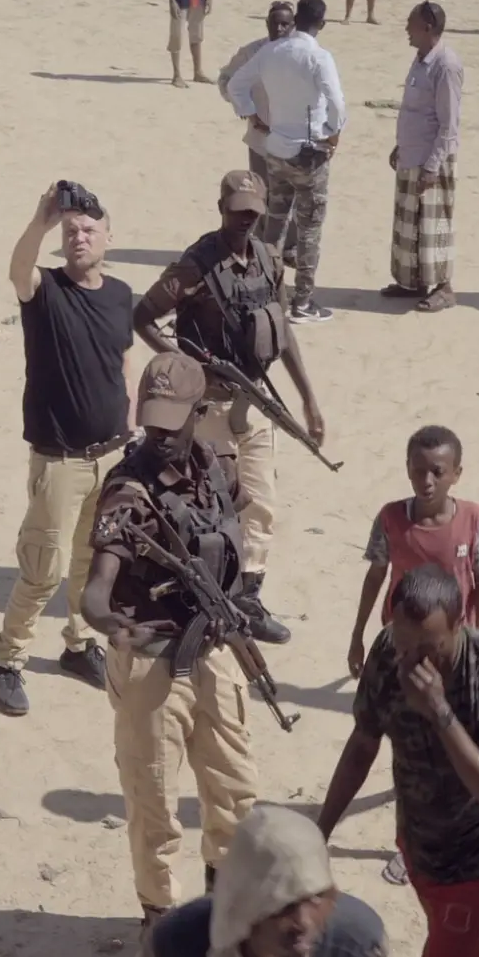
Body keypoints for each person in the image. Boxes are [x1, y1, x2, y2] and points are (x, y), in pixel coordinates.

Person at [82, 352, 262, 931]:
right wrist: (110, 622)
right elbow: (96, 589)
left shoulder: (216, 467)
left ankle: (223, 918)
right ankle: (159, 923)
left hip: (214, 649)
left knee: (237, 797)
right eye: (151, 420)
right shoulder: (127, 489)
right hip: (152, 664)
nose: (159, 434)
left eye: (172, 420)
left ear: (198, 413)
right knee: (154, 807)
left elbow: (237, 536)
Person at [134, 170, 328, 644]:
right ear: (220, 206)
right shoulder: (196, 264)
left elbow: (281, 331)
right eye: (237, 210)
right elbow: (142, 316)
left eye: (253, 213)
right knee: (209, 507)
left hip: (254, 402)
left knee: (261, 504)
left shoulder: (267, 259)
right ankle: (199, 599)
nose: (244, 220)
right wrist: (188, 370)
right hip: (207, 412)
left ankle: (248, 599)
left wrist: (308, 399)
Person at [318, 565, 479, 957]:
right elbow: (363, 742)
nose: (414, 659)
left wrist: (439, 712)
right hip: (417, 841)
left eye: (430, 647)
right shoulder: (388, 651)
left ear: (460, 623)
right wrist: (320, 833)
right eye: (405, 643)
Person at [0, 183, 135, 716]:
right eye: (71, 231)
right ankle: (7, 662)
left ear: (108, 238)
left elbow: (121, 365)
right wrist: (41, 219)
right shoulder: (44, 290)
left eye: (89, 230)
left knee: (92, 563)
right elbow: (16, 269)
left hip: (112, 455)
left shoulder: (120, 295)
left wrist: (133, 429)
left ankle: (78, 645)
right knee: (45, 567)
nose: (79, 237)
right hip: (60, 460)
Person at [224, 0, 347, 323]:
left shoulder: (269, 52)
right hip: (309, 155)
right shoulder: (319, 57)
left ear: (295, 21)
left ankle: (262, 290)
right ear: (320, 24)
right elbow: (336, 101)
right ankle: (303, 302)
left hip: (275, 149)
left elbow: (236, 85)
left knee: (274, 222)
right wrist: (334, 132)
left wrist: (253, 116)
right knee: (309, 230)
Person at [350, 424, 479, 680]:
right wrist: (358, 636)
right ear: (408, 469)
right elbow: (375, 575)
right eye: (419, 472)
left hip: (455, 636)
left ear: (456, 473)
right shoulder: (391, 518)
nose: (427, 481)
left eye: (437, 472)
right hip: (402, 635)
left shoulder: (472, 518)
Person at [146, 806, 387, 957]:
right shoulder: (177, 945)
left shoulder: (356, 944)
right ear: (244, 903)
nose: (302, 922)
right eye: (283, 905)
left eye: (314, 898)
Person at [386, 1, 464, 314]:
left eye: (411, 23)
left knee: (434, 227)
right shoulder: (420, 61)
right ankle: (414, 283)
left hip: (432, 159)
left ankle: (444, 288)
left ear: (428, 27)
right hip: (411, 154)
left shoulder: (446, 65)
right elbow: (414, 110)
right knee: (410, 224)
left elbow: (449, 124)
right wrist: (400, 145)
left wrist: (433, 166)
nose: (407, 28)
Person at [216, 2, 297, 178]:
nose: (279, 29)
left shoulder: (303, 54)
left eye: (284, 24)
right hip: (261, 139)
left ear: (293, 25)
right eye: (274, 23)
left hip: (294, 142)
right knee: (261, 192)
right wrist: (243, 106)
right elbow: (226, 80)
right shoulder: (251, 52)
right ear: (267, 23)